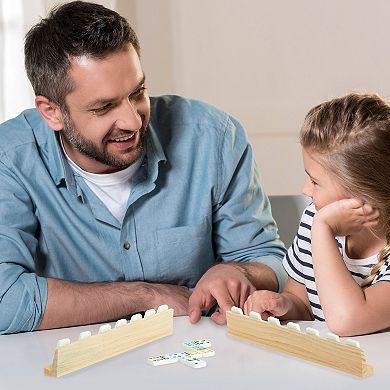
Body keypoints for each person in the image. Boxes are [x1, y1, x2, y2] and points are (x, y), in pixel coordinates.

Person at [0, 1, 287, 334]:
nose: (132, 120)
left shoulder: (214, 137)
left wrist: (242, 273)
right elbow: (5, 299)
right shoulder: (10, 159)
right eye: (104, 107)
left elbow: (269, 260)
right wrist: (146, 296)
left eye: (137, 92)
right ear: (51, 112)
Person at [244, 93, 390, 336]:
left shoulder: (320, 225)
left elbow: (346, 320)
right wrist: (284, 305)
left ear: (362, 194)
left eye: (315, 181)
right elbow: (302, 302)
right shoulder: (315, 218)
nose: (305, 189)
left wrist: (322, 231)